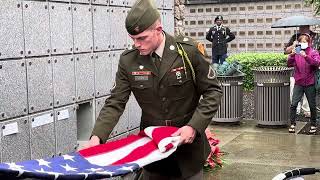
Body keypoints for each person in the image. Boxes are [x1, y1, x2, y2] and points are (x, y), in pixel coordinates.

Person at [84, 0, 223, 179]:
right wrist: (97, 136)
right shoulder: (128, 61)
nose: (136, 44)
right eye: (133, 39)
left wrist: (194, 126)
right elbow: (115, 102)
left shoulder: (188, 52)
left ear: (158, 30)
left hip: (188, 151)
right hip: (152, 152)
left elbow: (213, 91)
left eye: (142, 38)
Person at [287, 33, 320, 134]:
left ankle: (313, 125)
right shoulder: (297, 52)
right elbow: (289, 64)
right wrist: (292, 55)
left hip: (310, 82)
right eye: (301, 42)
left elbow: (316, 63)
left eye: (305, 42)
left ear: (309, 43)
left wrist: (306, 56)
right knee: (294, 104)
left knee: (312, 105)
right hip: (299, 82)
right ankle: (292, 124)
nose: (302, 43)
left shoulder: (313, 52)